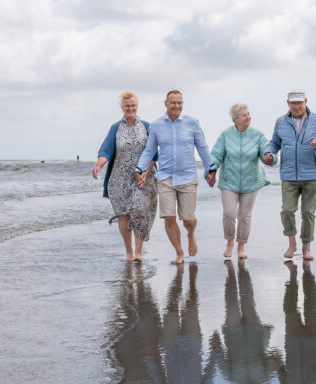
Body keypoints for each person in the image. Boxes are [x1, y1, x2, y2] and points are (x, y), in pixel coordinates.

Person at [136, 90, 217, 265]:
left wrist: (211, 169)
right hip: (165, 177)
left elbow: (202, 147)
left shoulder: (192, 123)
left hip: (187, 177)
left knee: (188, 219)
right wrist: (139, 168)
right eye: (173, 103)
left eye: (179, 103)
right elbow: (150, 150)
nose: (176, 106)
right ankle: (179, 252)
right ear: (166, 103)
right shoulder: (156, 125)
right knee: (169, 217)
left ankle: (190, 234)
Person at [263, 90, 316, 260]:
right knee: (287, 210)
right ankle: (292, 243)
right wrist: (269, 153)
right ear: (288, 103)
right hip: (289, 174)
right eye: (293, 103)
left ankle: (306, 247)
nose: (296, 106)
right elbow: (274, 143)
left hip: (312, 174)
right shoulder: (281, 122)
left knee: (308, 213)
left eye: (299, 103)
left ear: (306, 102)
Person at [93, 92, 158, 262]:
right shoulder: (116, 128)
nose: (130, 109)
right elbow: (106, 150)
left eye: (133, 105)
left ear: (137, 106)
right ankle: (129, 252)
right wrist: (99, 165)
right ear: (122, 108)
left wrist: (145, 173)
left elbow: (153, 153)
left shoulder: (147, 126)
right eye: (127, 106)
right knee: (124, 215)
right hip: (119, 179)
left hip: (144, 177)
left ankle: (139, 251)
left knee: (139, 210)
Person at [211, 103, 273, 259]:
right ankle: (229, 243)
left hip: (251, 181)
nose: (248, 117)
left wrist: (269, 158)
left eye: (249, 114)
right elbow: (216, 155)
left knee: (245, 216)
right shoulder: (226, 135)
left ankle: (241, 246)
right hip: (229, 181)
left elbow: (266, 152)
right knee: (230, 214)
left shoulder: (258, 135)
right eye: (244, 115)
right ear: (235, 119)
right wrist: (210, 171)